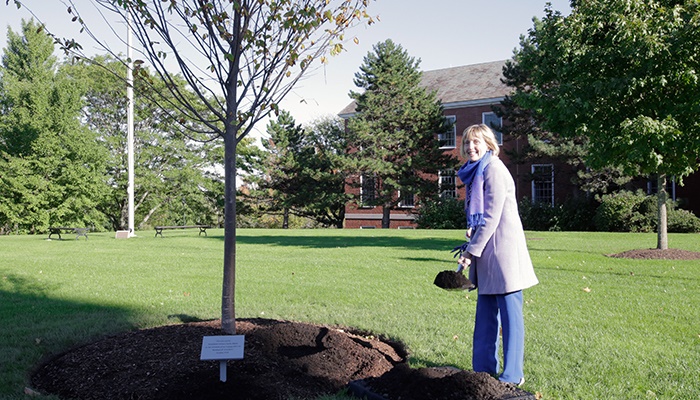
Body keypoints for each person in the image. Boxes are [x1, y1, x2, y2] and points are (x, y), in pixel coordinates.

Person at [455, 124, 538, 386]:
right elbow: (482, 217)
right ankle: (482, 371)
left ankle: (513, 376)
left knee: (511, 318)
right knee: (486, 315)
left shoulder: (494, 170)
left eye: (476, 142)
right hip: (487, 254)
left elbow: (491, 217)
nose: (471, 147)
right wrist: (472, 233)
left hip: (503, 255)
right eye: (467, 143)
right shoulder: (477, 172)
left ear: (489, 144)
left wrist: (469, 252)